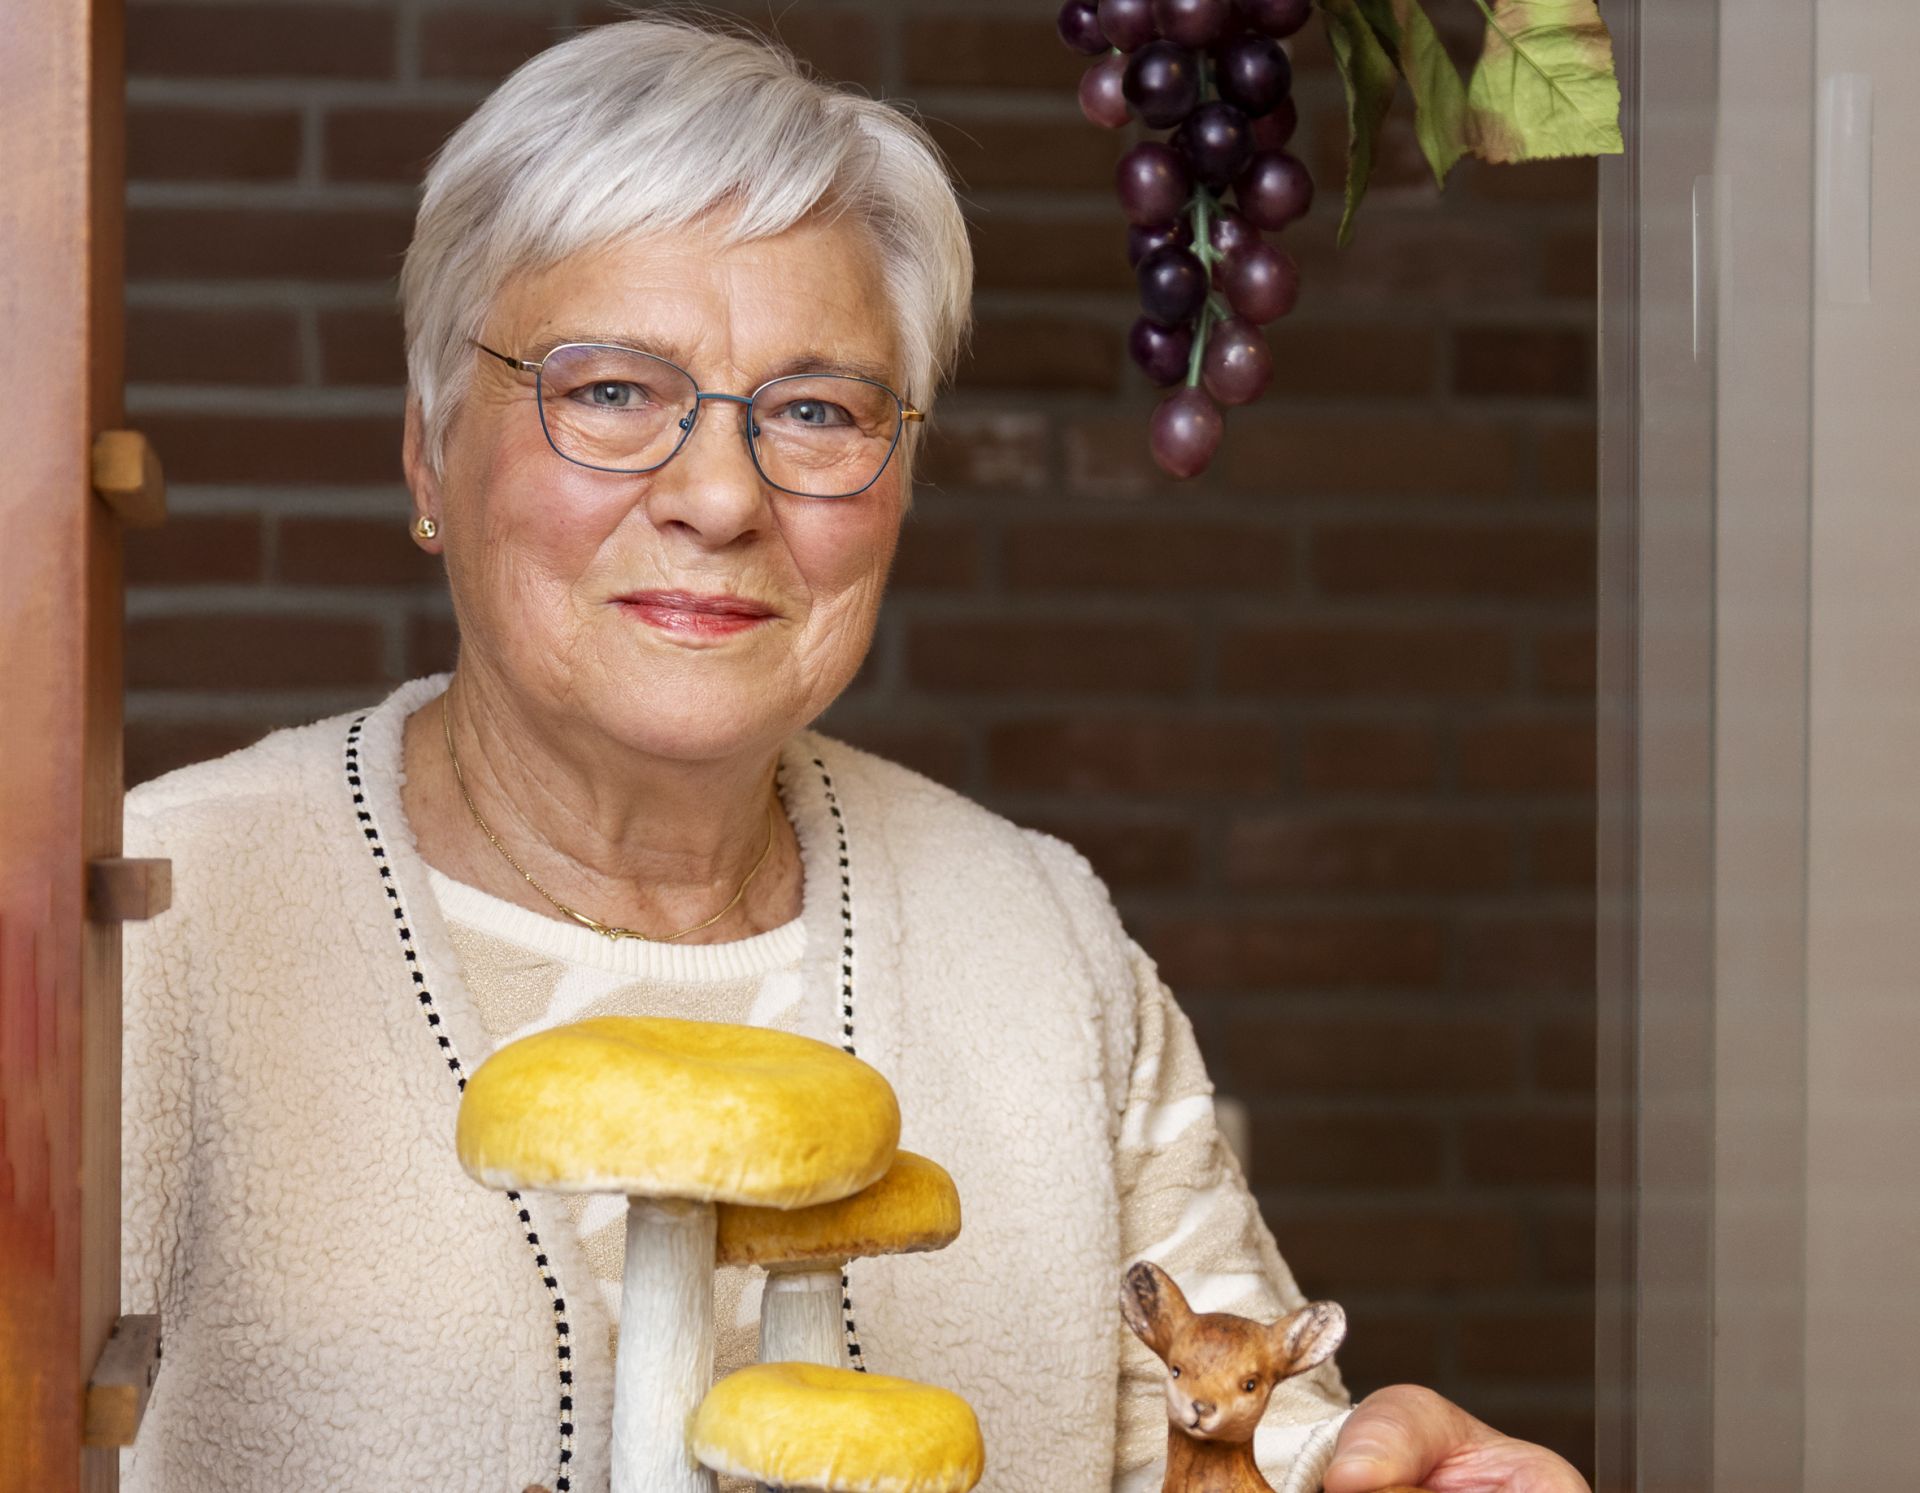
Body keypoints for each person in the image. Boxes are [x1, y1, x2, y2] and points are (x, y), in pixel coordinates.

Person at [119, 12, 1589, 1493]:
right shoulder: (157, 922)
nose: (718, 495)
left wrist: (1376, 1469)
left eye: (815, 410)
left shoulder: (1038, 934)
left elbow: (1239, 1425)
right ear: (430, 449)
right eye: (613, 389)